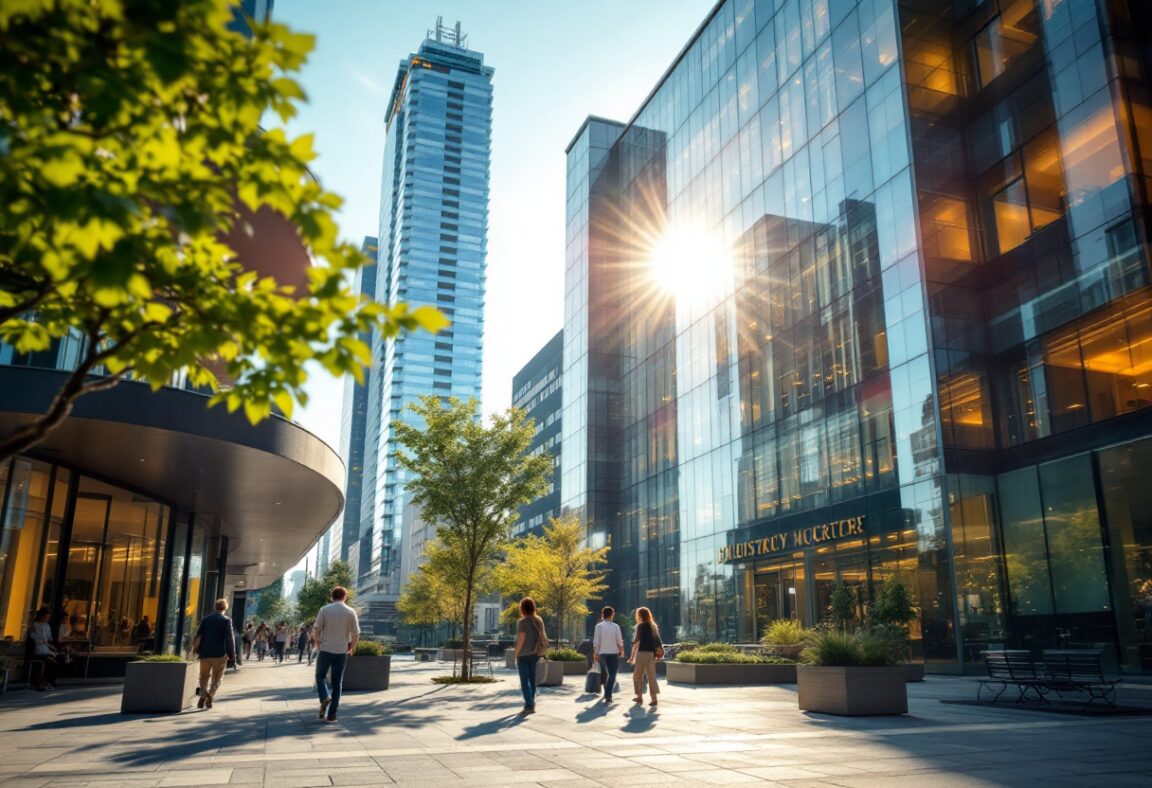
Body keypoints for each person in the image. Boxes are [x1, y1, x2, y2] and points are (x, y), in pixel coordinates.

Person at [313, 586, 359, 723]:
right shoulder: (351, 612)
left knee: (320, 676)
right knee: (337, 682)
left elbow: (316, 629)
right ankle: (332, 715)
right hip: (341, 651)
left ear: (332, 596)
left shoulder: (324, 609)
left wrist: (318, 643)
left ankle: (324, 697)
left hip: (326, 648)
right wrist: (352, 647)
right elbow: (356, 633)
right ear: (345, 596)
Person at [191, 599, 235, 709]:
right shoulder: (226, 620)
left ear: (215, 607)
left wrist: (196, 648)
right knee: (217, 678)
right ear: (225, 608)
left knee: (203, 677)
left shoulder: (206, 619)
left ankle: (203, 695)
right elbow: (230, 638)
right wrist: (232, 653)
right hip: (220, 654)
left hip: (205, 653)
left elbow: (198, 635)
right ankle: (210, 695)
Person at [512, 597, 548, 715]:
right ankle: (531, 704)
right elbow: (543, 636)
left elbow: (521, 640)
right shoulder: (539, 620)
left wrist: (515, 654)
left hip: (523, 656)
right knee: (532, 680)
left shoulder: (522, 622)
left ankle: (529, 705)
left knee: (524, 681)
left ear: (522, 608)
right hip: (535, 654)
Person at [629, 606, 663, 707]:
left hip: (641, 654)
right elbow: (658, 642)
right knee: (651, 677)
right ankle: (654, 699)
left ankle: (639, 697)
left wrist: (631, 655)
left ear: (639, 615)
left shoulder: (640, 626)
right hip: (651, 654)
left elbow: (636, 641)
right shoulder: (653, 626)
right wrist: (661, 653)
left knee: (637, 676)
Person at [592, 605, 625, 703]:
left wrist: (595, 653)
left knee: (604, 674)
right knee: (612, 675)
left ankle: (607, 694)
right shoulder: (616, 627)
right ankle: (608, 696)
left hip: (602, 654)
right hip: (614, 654)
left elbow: (596, 642)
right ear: (612, 614)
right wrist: (621, 651)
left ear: (603, 615)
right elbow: (620, 642)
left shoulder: (598, 626)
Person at [29, 608, 59, 691]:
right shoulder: (35, 625)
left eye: (48, 617)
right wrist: (50, 649)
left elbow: (49, 637)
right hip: (38, 650)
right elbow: (39, 640)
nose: (47, 618)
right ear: (42, 616)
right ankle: (41, 683)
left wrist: (52, 647)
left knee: (56, 661)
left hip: (44, 649)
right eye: (46, 617)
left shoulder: (46, 625)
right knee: (51, 663)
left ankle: (48, 681)